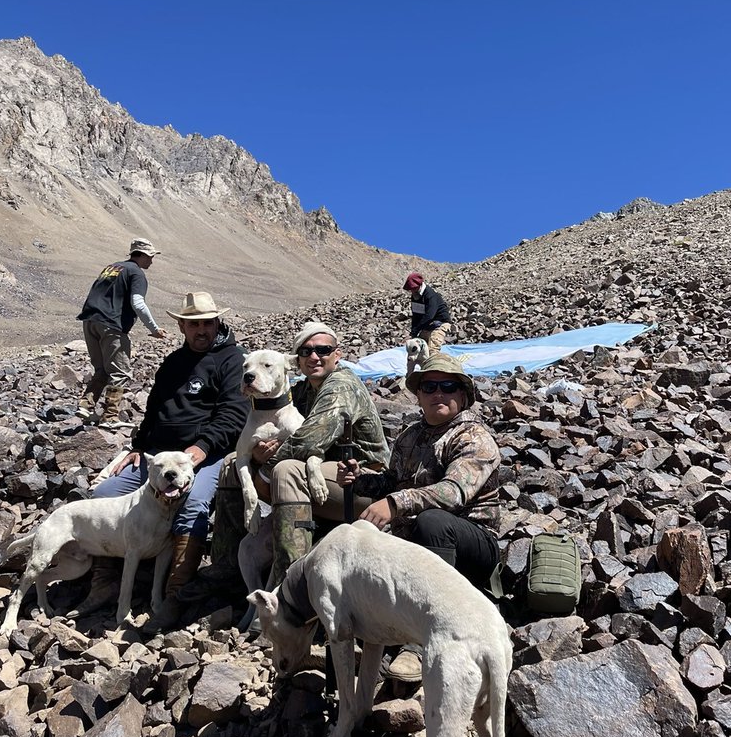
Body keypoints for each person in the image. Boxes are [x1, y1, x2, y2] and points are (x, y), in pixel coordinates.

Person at [181, 320, 389, 603]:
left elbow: (308, 441)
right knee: (232, 462)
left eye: (323, 350)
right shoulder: (302, 390)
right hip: (326, 473)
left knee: (286, 470)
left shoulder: (341, 385)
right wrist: (254, 456)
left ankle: (288, 584)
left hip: (363, 481)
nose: (314, 356)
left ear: (337, 355)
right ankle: (227, 566)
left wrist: (261, 474)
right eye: (306, 351)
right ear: (297, 361)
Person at [76, 291, 249, 627]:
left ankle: (175, 594)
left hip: (205, 454)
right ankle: (105, 581)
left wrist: (201, 448)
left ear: (218, 322)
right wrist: (138, 446)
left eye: (208, 323)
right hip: (157, 456)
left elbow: (234, 413)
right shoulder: (173, 362)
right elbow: (154, 410)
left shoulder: (232, 360)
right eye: (194, 324)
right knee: (105, 494)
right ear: (182, 326)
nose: (202, 330)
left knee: (193, 503)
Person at [338, 353, 500, 681]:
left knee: (432, 521)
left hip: (469, 545)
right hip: (414, 543)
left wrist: (394, 504)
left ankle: (422, 644)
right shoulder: (410, 436)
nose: (438, 393)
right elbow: (391, 481)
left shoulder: (474, 438)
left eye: (448, 387)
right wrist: (359, 479)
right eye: (429, 387)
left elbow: (453, 493)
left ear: (463, 396)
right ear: (419, 395)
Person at [77, 238, 168, 428]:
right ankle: (110, 417)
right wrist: (154, 329)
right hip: (111, 325)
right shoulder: (136, 273)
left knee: (102, 369)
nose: (152, 261)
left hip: (90, 321)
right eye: (151, 256)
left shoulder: (112, 267)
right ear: (142, 255)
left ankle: (86, 405)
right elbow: (138, 303)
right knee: (120, 372)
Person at [403, 272, 452, 354]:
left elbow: (429, 316)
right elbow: (416, 316)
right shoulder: (415, 296)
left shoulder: (430, 295)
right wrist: (413, 334)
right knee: (419, 347)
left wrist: (416, 329)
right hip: (428, 325)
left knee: (432, 349)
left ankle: (434, 361)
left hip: (441, 323)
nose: (412, 291)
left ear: (419, 285)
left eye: (414, 289)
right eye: (410, 290)